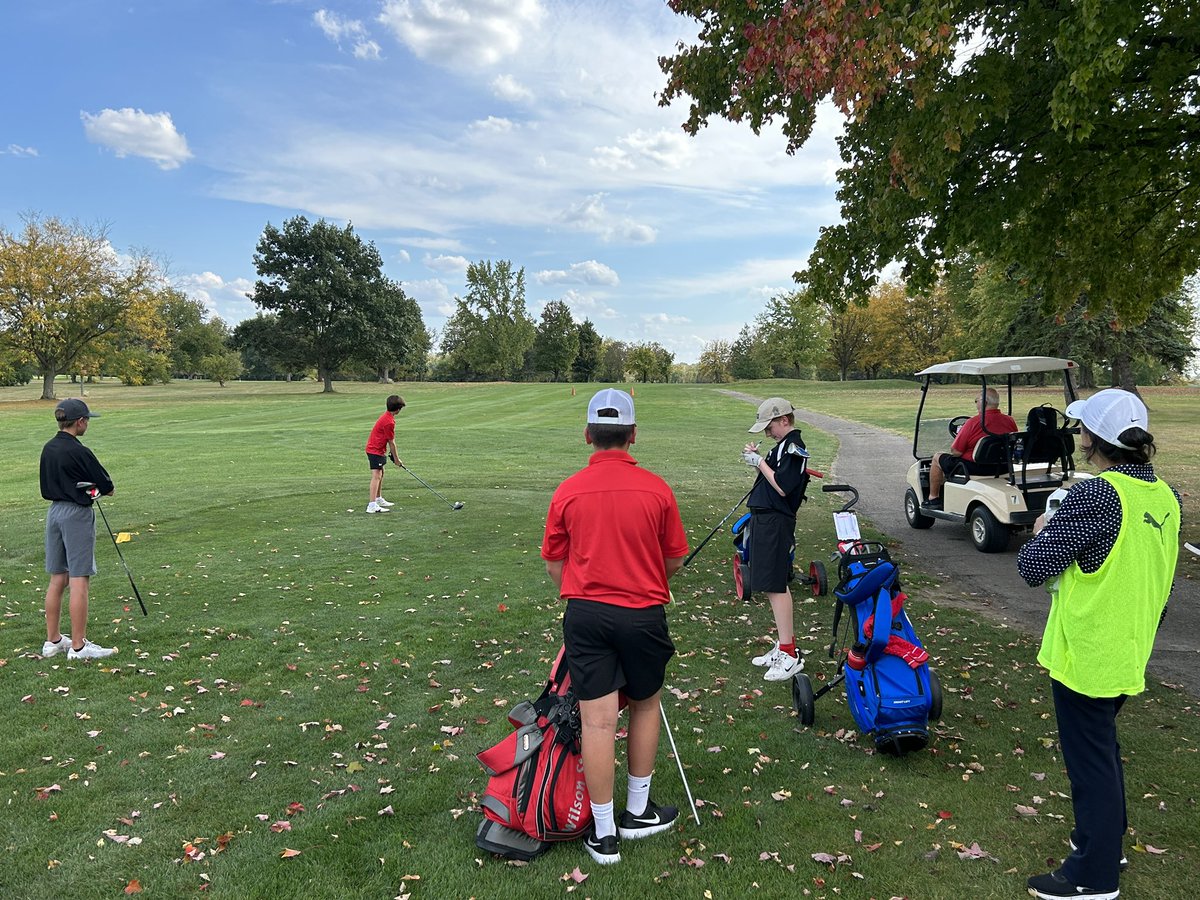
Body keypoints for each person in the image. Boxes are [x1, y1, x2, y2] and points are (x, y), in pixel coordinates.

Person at [1018, 389, 1181, 900]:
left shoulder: (1098, 495)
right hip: (1130, 645)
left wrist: (1044, 527)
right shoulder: (1164, 495)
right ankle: (1105, 842)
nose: (1078, 436)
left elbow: (1032, 567)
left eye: (1081, 429)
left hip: (1089, 649)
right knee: (1102, 749)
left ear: (1096, 438)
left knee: (1090, 760)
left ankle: (1094, 875)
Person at [541, 388, 689, 865]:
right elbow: (675, 558)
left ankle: (604, 833)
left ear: (588, 435)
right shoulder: (657, 488)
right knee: (645, 705)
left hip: (585, 615)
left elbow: (554, 566)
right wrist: (646, 578)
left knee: (597, 720)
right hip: (643, 614)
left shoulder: (567, 490)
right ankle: (637, 811)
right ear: (632, 435)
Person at [39, 398, 118, 661]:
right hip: (76, 515)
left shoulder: (48, 448)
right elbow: (107, 487)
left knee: (58, 577)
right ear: (80, 421)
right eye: (87, 420)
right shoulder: (80, 451)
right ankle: (79, 646)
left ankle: (52, 642)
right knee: (79, 578)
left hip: (54, 513)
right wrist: (93, 490)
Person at [742, 397, 812, 682]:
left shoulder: (795, 448)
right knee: (771, 584)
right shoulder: (781, 447)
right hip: (764, 518)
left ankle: (789, 652)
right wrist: (758, 458)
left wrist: (759, 461)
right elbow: (771, 476)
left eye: (769, 427)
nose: (767, 433)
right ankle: (784, 644)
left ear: (784, 420)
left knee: (776, 585)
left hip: (776, 520)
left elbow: (783, 486)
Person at [923, 387, 1018, 508]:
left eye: (976, 400)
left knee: (937, 457)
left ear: (984, 402)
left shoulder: (973, 422)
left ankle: (933, 498)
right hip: (1003, 467)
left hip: (974, 468)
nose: (976, 403)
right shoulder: (1010, 421)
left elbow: (956, 451)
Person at [365, 395, 405, 514]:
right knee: (376, 475)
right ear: (398, 409)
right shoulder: (389, 422)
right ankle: (371, 505)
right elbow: (392, 442)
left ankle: (378, 499)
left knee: (381, 472)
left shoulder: (387, 417)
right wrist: (397, 460)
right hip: (375, 450)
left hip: (378, 449)